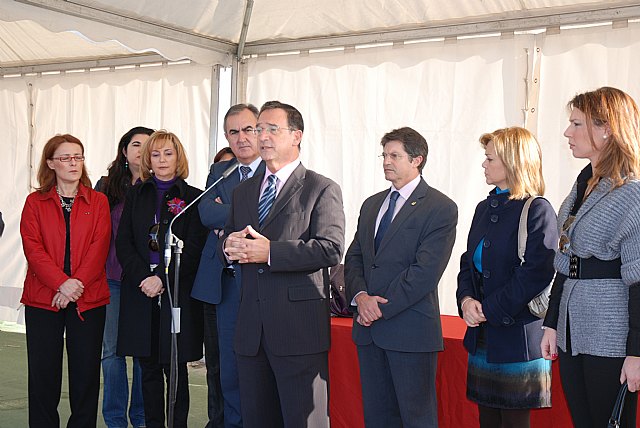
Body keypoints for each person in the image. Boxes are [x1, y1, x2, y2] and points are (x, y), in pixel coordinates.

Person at [221, 101, 345, 428]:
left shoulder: (321, 188)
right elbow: (235, 239)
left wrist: (271, 252)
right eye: (258, 129)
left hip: (297, 333)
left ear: (296, 136)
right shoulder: (244, 191)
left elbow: (331, 249)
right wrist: (229, 247)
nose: (262, 136)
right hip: (251, 331)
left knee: (305, 422)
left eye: (272, 129)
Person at [345, 127, 457, 428]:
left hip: (410, 331)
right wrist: (360, 297)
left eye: (395, 155)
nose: (386, 161)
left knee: (416, 418)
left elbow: (425, 272)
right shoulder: (371, 204)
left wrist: (377, 307)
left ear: (417, 160)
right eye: (384, 155)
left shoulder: (440, 207)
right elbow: (354, 257)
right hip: (369, 333)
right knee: (378, 417)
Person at [541, 87, 640, 427]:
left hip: (611, 335)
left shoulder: (632, 193)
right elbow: (565, 261)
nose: (568, 132)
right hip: (572, 330)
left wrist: (636, 353)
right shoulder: (582, 186)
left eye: (576, 124)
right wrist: (552, 322)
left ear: (606, 128)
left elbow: (639, 280)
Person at [456, 127, 557, 427]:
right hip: (484, 336)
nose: (483, 165)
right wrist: (466, 299)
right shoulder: (483, 209)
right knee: (487, 420)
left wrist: (489, 308)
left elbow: (537, 273)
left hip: (519, 339)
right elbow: (468, 263)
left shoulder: (538, 209)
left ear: (513, 161)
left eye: (489, 159)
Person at [116, 130, 207, 428]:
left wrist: (163, 281)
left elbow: (194, 248)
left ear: (178, 157)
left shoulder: (193, 197)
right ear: (147, 160)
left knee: (176, 369)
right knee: (149, 369)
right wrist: (145, 277)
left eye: (168, 153)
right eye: (155, 154)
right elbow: (124, 243)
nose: (162, 159)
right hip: (141, 292)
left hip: (176, 293)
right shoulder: (136, 194)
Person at [20, 134, 111, 427]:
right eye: (65, 158)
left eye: (78, 157)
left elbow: (100, 247)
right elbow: (33, 248)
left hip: (88, 297)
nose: (73, 163)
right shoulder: (34, 202)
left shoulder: (98, 201)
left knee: (85, 375)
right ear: (50, 163)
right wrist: (61, 283)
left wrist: (74, 286)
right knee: (43, 374)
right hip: (44, 297)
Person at [192, 104, 264, 428]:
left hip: (261, 284)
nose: (241, 138)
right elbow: (205, 213)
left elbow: (267, 216)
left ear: (261, 131)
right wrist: (241, 216)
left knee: (256, 369)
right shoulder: (219, 172)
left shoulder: (274, 173)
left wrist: (230, 213)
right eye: (233, 132)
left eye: (248, 129)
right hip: (222, 282)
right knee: (223, 367)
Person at [96, 126, 154, 428]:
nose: (141, 150)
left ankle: (141, 418)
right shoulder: (106, 186)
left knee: (144, 351)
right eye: (135, 144)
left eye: (148, 145)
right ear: (124, 151)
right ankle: (115, 420)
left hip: (146, 281)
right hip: (112, 278)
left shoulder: (161, 187)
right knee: (112, 352)